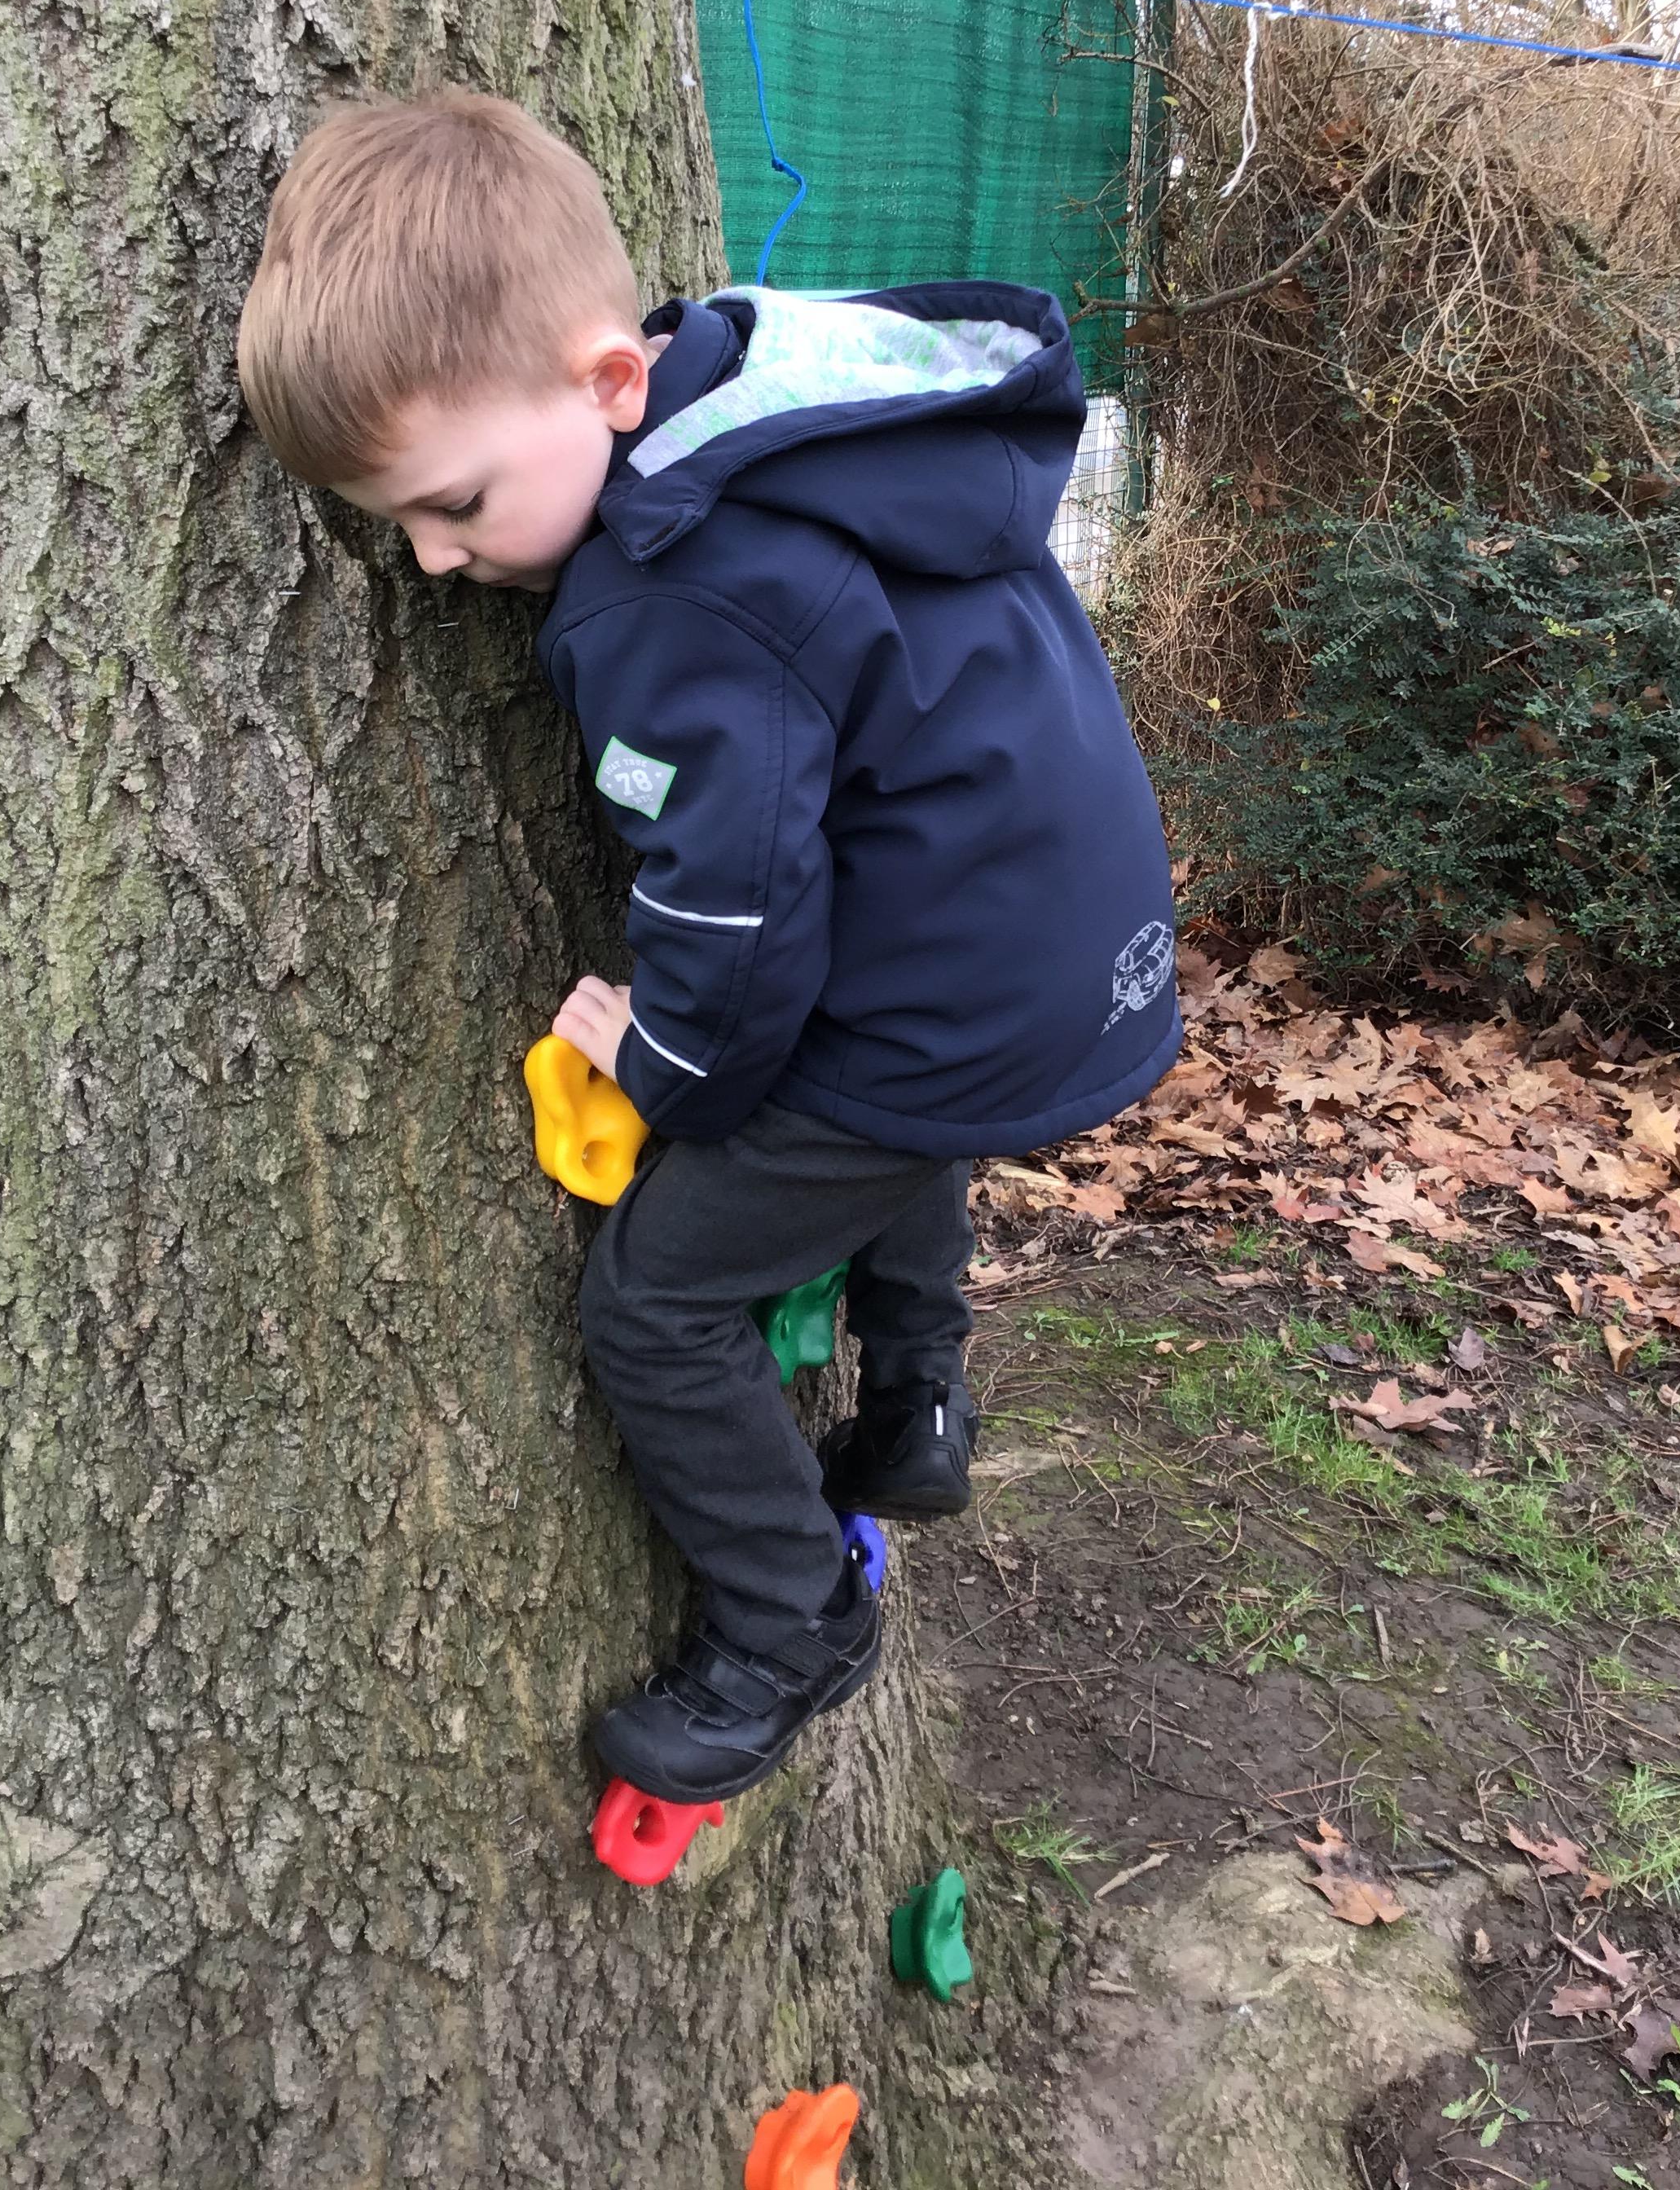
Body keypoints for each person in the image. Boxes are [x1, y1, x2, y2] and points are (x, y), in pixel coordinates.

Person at [237, 91, 1182, 1804]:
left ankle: (791, 1618)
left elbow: (732, 910)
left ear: (611, 381)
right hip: (1055, 946)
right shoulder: (787, 407)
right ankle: (921, 1396)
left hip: (946, 996)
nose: (436, 561)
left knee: (659, 1300)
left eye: (453, 504)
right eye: (402, 528)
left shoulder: (672, 599)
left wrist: (662, 1066)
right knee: (887, 1121)